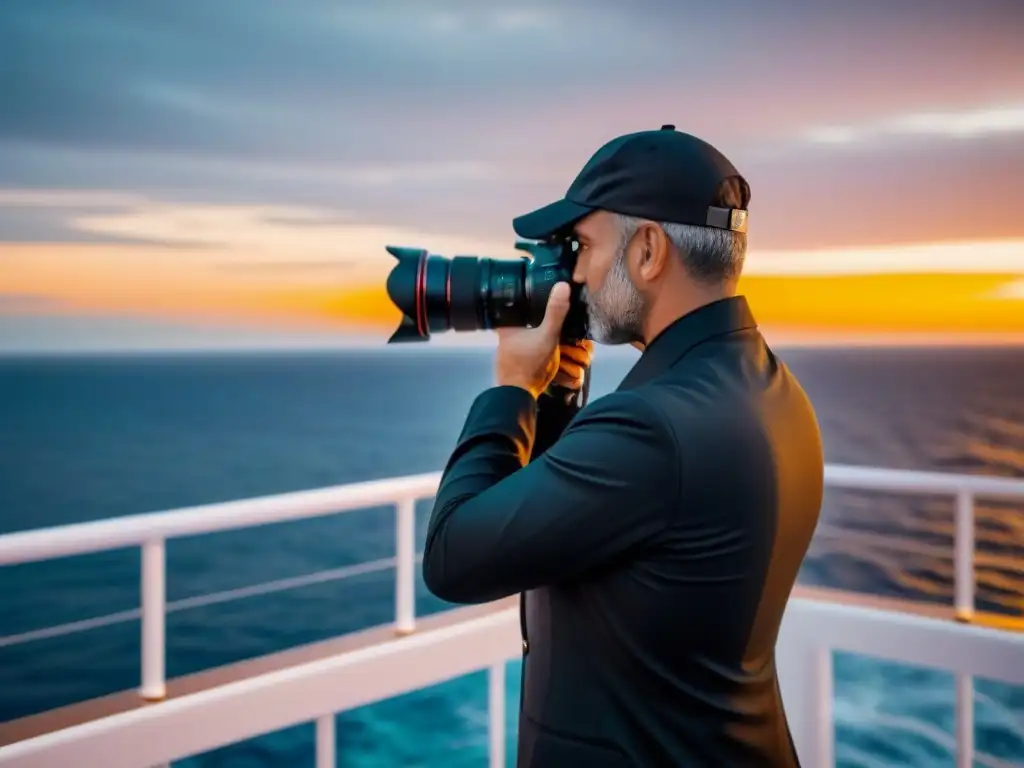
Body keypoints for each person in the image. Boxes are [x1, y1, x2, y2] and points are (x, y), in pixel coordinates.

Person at [421, 124, 824, 767]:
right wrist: (561, 393)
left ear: (647, 251)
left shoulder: (650, 429)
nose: (572, 272)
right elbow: (569, 527)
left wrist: (513, 390)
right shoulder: (768, 390)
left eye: (581, 244)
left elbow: (451, 557)